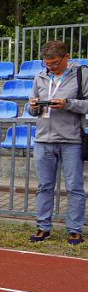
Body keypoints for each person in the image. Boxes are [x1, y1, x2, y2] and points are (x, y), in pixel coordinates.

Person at [28, 40, 87, 246]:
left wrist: (68, 104)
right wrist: (33, 105)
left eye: (54, 63)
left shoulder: (81, 74)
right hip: (43, 138)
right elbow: (31, 108)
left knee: (74, 187)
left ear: (66, 57)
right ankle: (43, 227)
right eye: (47, 63)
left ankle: (74, 229)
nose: (50, 67)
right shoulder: (40, 76)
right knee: (44, 186)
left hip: (71, 139)